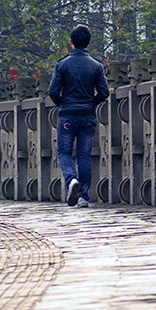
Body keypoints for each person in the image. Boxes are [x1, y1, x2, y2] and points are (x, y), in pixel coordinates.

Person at [48, 25, 109, 207]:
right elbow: (104, 92)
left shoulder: (62, 64)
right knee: (84, 155)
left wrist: (62, 104)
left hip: (67, 114)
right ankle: (83, 196)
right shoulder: (97, 65)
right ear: (89, 42)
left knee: (64, 152)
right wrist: (92, 103)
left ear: (71, 42)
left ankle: (71, 181)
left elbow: (53, 91)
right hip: (88, 115)